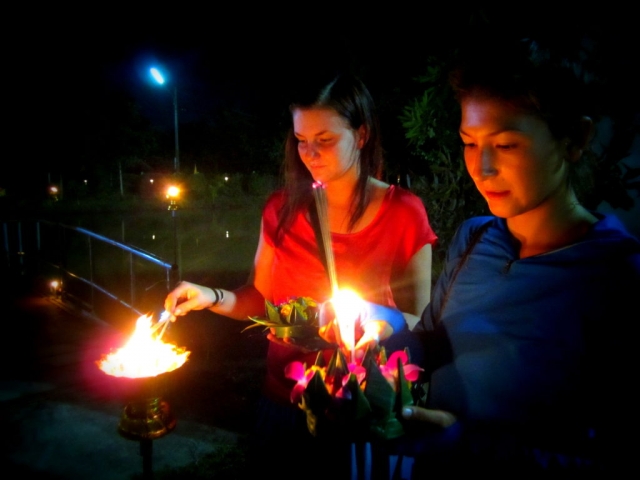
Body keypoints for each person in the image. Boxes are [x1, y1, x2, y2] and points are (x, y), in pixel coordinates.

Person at [163, 72, 437, 477]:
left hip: (357, 406)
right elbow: (261, 299)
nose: (310, 154)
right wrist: (213, 297)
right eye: (301, 140)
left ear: (361, 135)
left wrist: (374, 324)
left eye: (324, 140)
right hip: (283, 400)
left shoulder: (403, 212)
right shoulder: (282, 210)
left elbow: (419, 317)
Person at [389, 39, 640, 475]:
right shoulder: (474, 238)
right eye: (469, 142)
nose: (481, 168)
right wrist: (368, 339)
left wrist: (462, 444)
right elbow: (431, 339)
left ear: (575, 140)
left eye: (506, 145)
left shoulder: (616, 277)